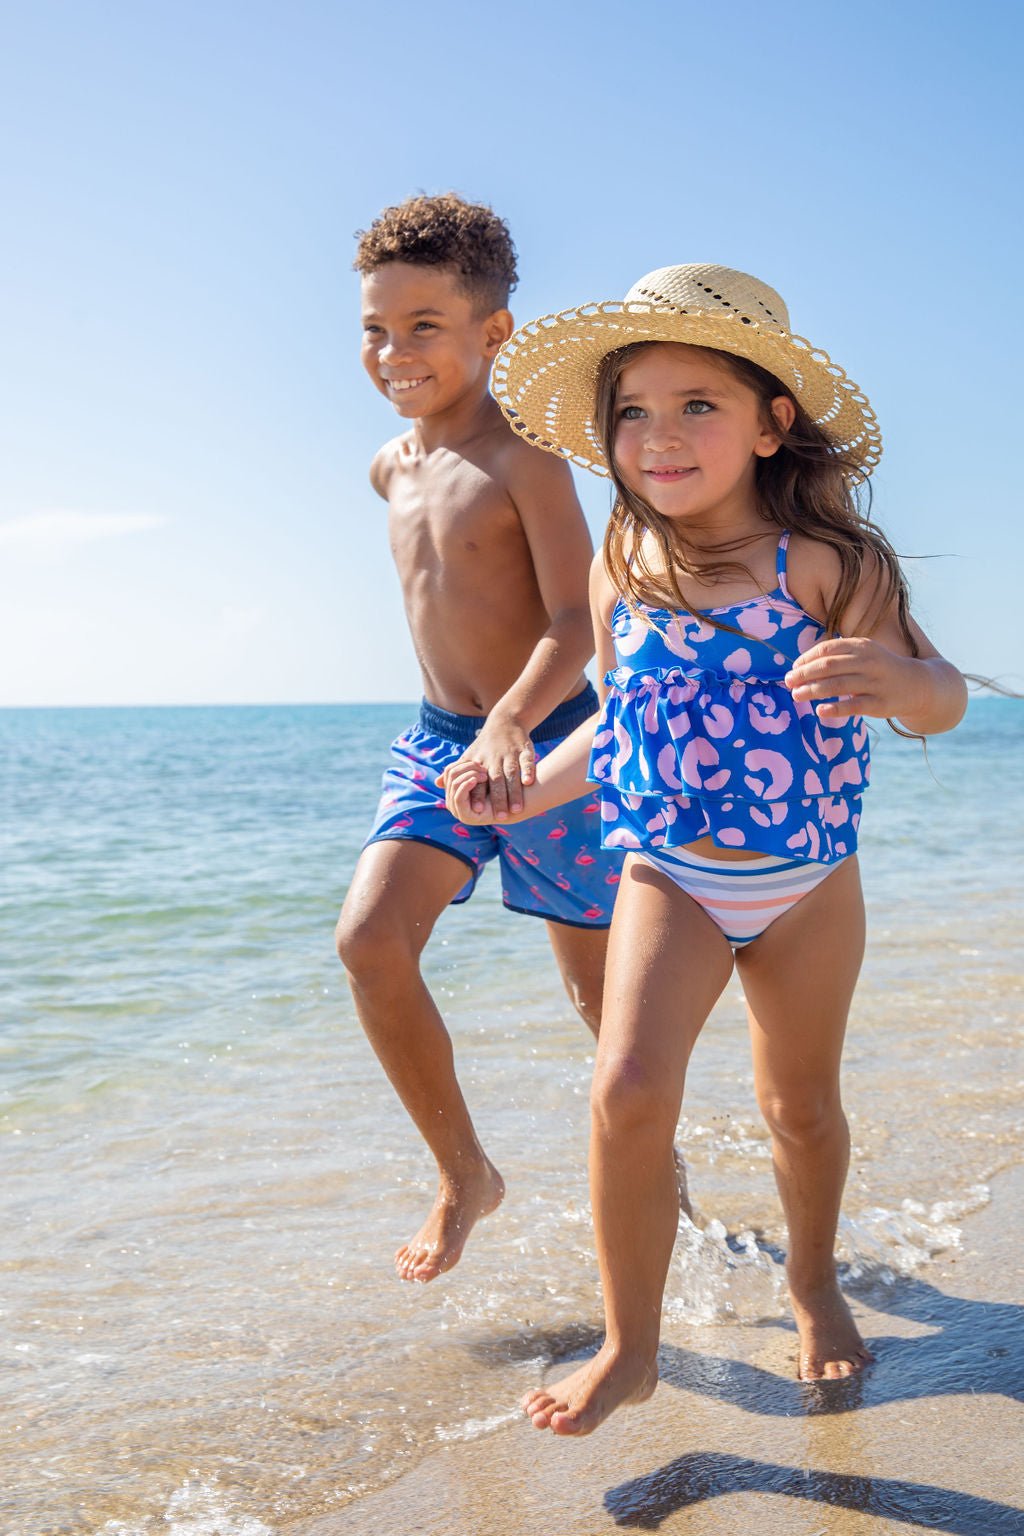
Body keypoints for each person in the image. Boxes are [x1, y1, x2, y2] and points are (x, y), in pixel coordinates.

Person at [443, 263, 967, 1430]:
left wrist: (899, 682)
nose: (658, 436)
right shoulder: (622, 566)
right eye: (633, 410)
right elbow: (623, 735)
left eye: (697, 406)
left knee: (801, 1109)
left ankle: (812, 1279)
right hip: (667, 872)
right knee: (627, 1088)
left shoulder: (832, 564)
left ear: (772, 424)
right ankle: (630, 1344)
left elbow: (942, 698)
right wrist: (519, 795)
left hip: (808, 884)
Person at [335, 194, 622, 1285]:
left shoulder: (528, 465)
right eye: (374, 327)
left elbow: (576, 623)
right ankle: (465, 1176)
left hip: (554, 747)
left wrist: (510, 719)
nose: (392, 351)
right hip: (436, 745)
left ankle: (666, 1196)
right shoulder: (387, 468)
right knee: (370, 943)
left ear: (491, 334)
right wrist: (471, 723)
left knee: (606, 1014)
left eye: (422, 326)